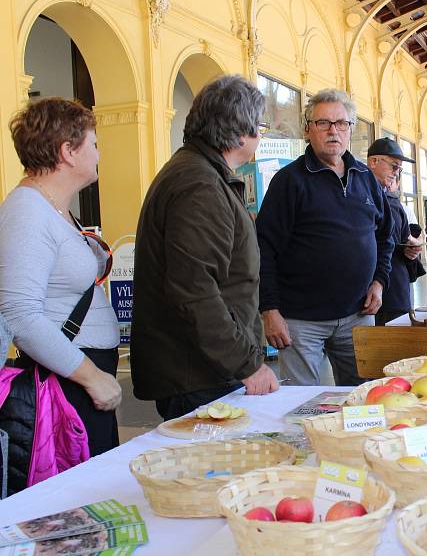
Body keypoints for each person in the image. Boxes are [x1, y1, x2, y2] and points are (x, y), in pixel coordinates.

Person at [130, 75, 279, 421]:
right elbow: (195, 291)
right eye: (261, 127)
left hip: (204, 369)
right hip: (200, 375)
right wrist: (248, 365)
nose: (260, 136)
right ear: (241, 132)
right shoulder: (201, 184)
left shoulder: (198, 173)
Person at [0, 97, 122, 455]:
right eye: (94, 144)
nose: (99, 154)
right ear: (68, 151)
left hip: (76, 376)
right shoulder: (27, 211)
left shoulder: (53, 208)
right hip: (67, 380)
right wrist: (92, 377)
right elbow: (21, 314)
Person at [257, 89, 393, 386]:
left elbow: (385, 237)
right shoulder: (289, 181)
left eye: (341, 123)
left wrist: (380, 282)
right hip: (301, 322)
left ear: (350, 130)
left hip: (358, 315)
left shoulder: (365, 178)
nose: (333, 131)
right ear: (308, 130)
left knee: (363, 399)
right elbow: (263, 248)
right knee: (303, 408)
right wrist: (270, 311)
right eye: (323, 123)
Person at [366, 138, 425, 326]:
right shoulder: (360, 194)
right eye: (393, 166)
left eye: (399, 169)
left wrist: (411, 250)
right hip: (371, 289)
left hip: (397, 287)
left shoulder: (393, 200)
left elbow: (404, 239)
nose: (396, 173)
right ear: (374, 162)